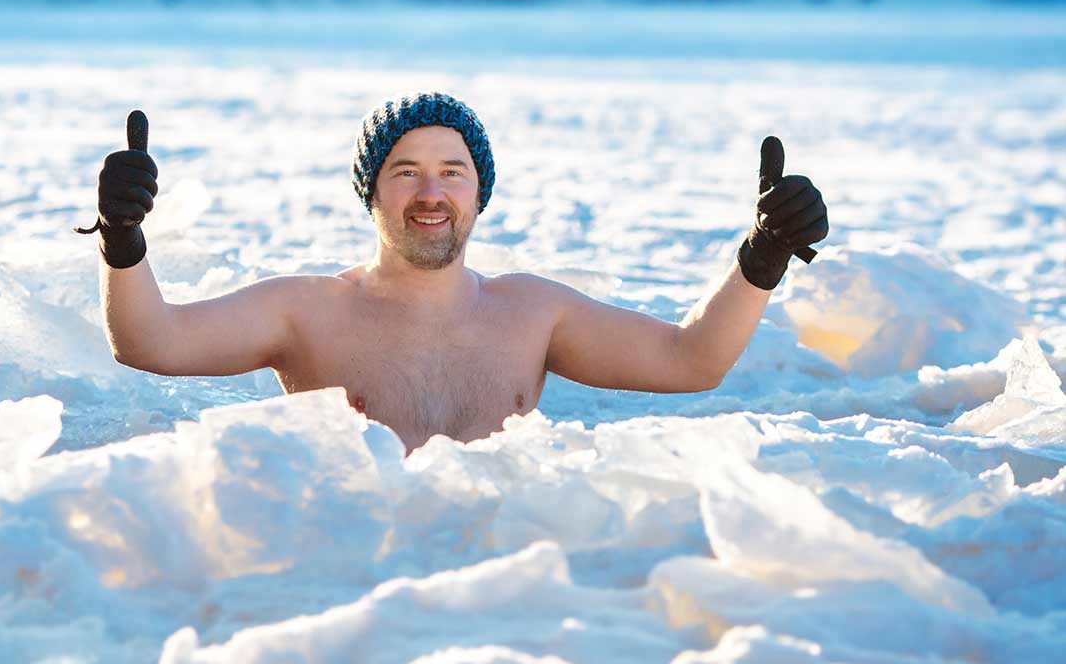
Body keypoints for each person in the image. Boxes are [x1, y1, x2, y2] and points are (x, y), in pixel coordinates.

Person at [83, 93, 828, 453]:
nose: (430, 194)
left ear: (479, 191)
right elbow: (154, 342)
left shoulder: (534, 314)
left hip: (490, 582)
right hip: (349, 584)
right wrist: (122, 236)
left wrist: (762, 257)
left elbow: (690, 361)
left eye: (452, 172)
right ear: (371, 193)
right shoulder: (306, 312)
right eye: (404, 172)